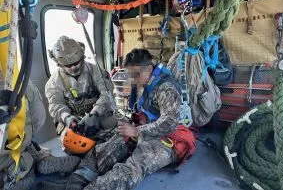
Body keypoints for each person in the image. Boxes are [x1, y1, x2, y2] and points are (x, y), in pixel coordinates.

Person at [38, 48, 196, 190]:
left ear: (149, 68)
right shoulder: (145, 80)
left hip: (171, 138)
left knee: (135, 164)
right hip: (148, 128)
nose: (133, 79)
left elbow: (170, 123)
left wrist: (136, 131)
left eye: (136, 75)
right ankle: (77, 180)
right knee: (111, 144)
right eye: (130, 75)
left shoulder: (165, 88)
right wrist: (134, 128)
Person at [0, 79, 81, 190]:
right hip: (21, 139)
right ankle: (35, 157)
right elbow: (38, 118)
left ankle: (19, 169)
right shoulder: (18, 77)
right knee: (24, 134)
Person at [45, 36, 117, 147]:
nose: (73, 67)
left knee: (111, 124)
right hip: (74, 117)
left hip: (99, 112)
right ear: (59, 65)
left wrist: (94, 113)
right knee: (69, 141)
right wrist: (67, 118)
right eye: (68, 66)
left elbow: (107, 94)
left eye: (76, 63)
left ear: (82, 58)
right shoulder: (54, 82)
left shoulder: (97, 71)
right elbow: (55, 104)